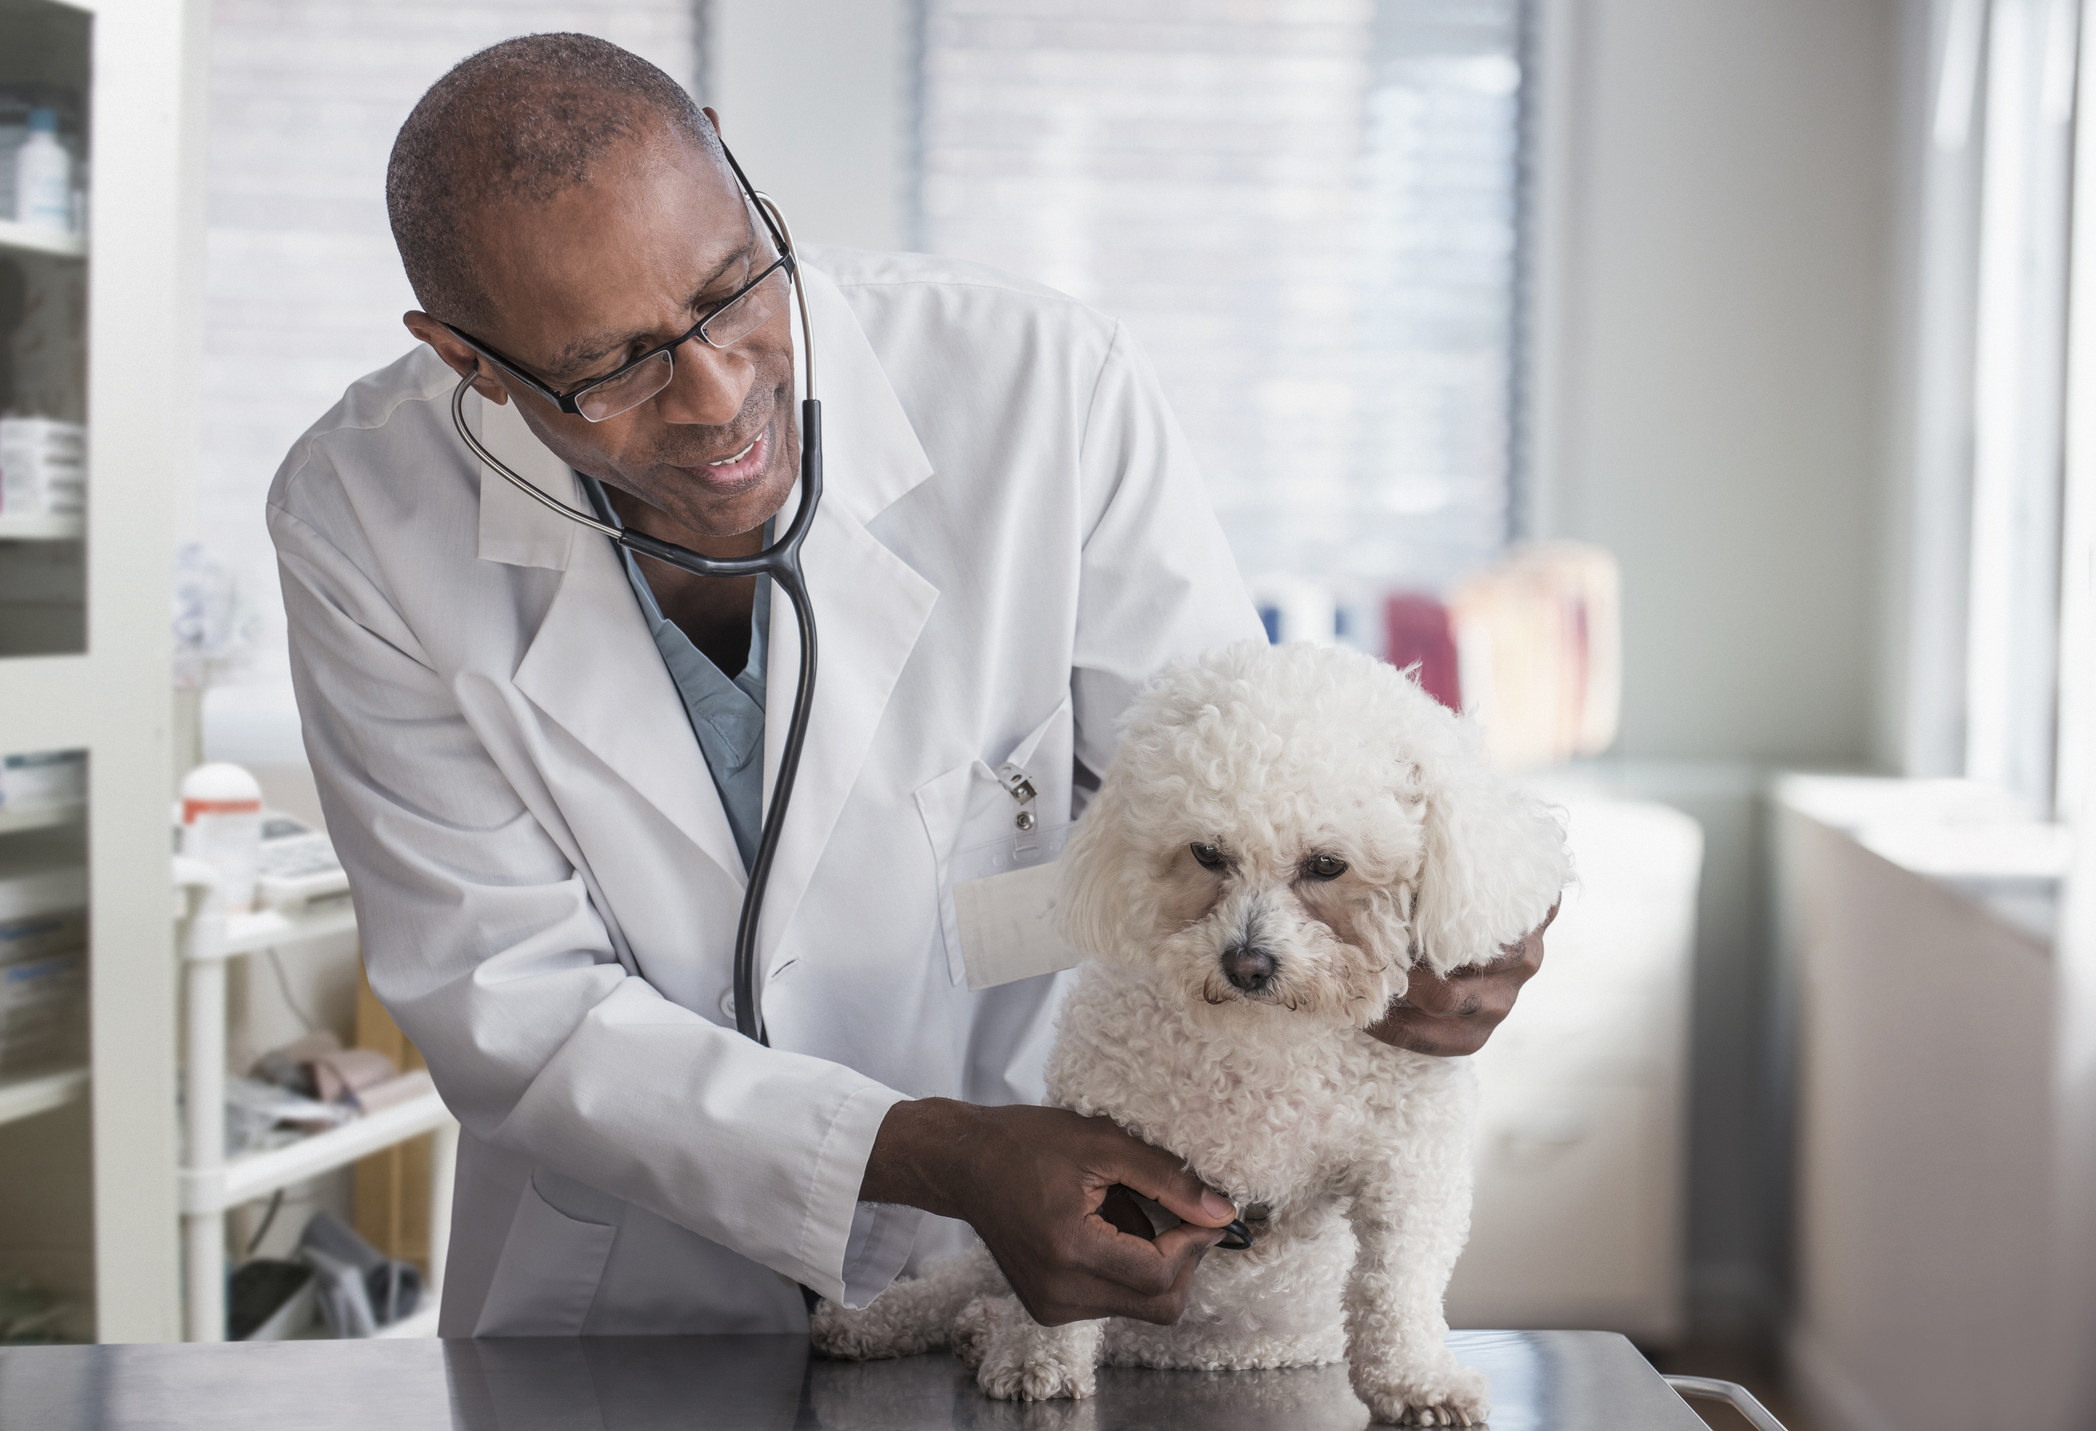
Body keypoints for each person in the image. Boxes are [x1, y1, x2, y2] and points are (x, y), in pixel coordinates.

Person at [267, 33, 1554, 1337]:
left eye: (731, 287)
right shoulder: (361, 519)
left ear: (734, 165)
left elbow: (1245, 784)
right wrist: (932, 1151)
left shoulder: (1044, 388)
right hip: (625, 1303)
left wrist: (1446, 929)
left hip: (1058, 1269)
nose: (716, 395)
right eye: (611, 368)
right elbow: (510, 1001)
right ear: (468, 360)